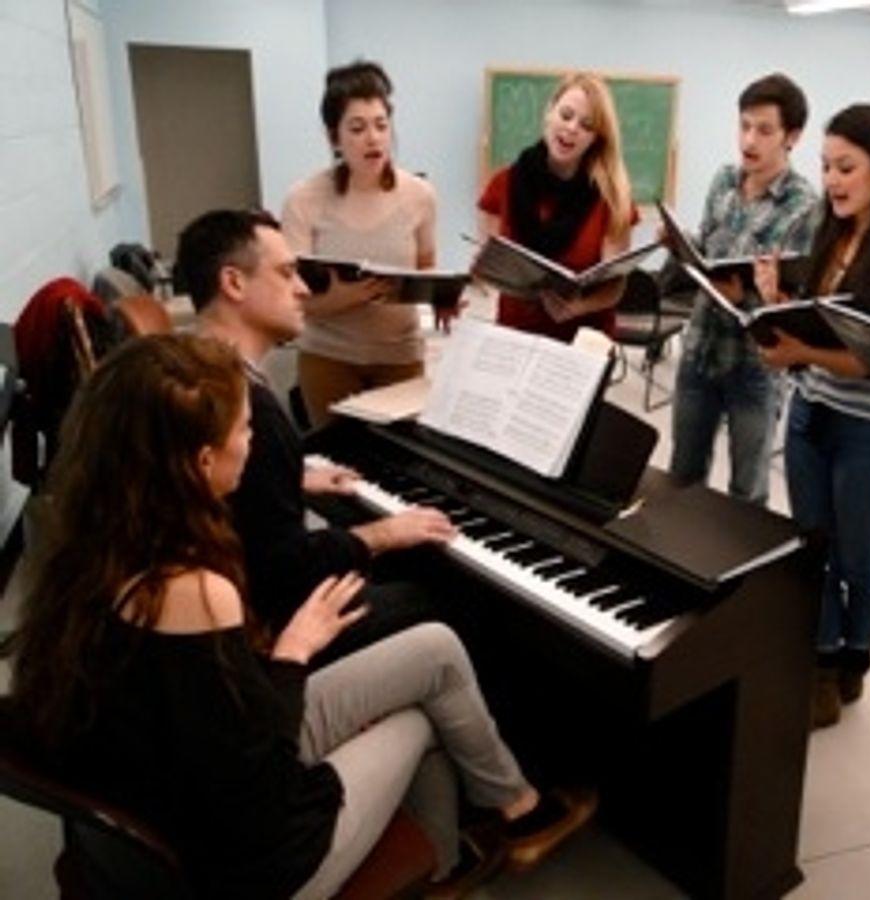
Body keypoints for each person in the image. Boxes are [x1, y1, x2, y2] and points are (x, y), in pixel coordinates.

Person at [3, 333, 595, 899]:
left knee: (433, 647)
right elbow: (258, 789)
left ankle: (518, 808)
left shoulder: (93, 544)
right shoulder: (192, 590)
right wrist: (293, 652)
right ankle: (441, 866)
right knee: (417, 718)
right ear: (202, 461)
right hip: (253, 865)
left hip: (177, 779)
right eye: (246, 428)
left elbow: (211, 720)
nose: (255, 441)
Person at [179, 208, 452, 667]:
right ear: (234, 283)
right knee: (440, 595)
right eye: (287, 274)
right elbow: (284, 570)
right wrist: (382, 532)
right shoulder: (251, 410)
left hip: (226, 592)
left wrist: (290, 477)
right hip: (266, 622)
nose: (303, 289)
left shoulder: (189, 366)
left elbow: (238, 493)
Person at [754, 103, 870, 726]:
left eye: (847, 167)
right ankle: (822, 661)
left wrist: (801, 351)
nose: (832, 181)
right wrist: (772, 304)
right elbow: (820, 316)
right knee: (815, 552)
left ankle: (851, 667)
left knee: (860, 563)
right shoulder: (828, 225)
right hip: (812, 410)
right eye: (827, 166)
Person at [669, 72, 820, 505]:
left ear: (792, 136)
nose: (749, 139)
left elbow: (798, 300)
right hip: (700, 348)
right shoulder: (723, 181)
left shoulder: (805, 206)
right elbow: (709, 246)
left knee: (747, 492)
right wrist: (683, 247)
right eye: (744, 125)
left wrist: (748, 299)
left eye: (764, 130)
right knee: (682, 477)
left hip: (755, 366)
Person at [282, 60, 442, 429]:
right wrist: (346, 298)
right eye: (357, 128)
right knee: (339, 463)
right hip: (328, 356)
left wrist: (441, 296)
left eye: (381, 125)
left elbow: (426, 265)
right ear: (333, 137)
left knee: (402, 462)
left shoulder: (420, 196)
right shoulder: (303, 200)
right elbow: (291, 300)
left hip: (400, 354)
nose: (373, 138)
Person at [477, 71, 637, 342]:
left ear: (596, 138)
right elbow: (489, 264)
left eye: (587, 125)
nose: (572, 128)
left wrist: (578, 307)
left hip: (583, 341)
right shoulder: (503, 184)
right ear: (549, 113)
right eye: (566, 115)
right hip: (516, 333)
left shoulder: (612, 197)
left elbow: (615, 287)